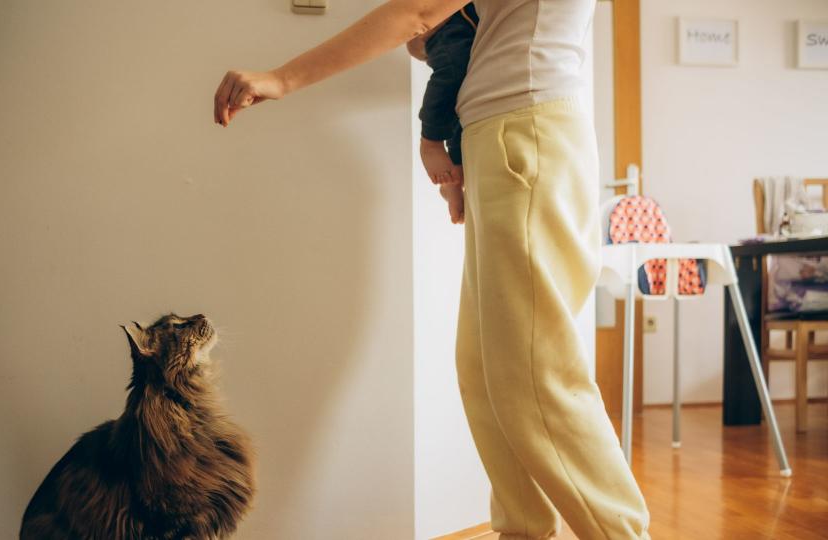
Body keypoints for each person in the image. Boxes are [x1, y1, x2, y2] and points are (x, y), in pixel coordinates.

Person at [212, 1, 651, 538]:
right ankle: (522, 530)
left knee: (538, 372)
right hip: (504, 133)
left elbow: (417, 11)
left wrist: (282, 77)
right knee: (485, 369)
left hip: (527, 131)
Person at [408, 4, 478, 225]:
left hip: (475, 29)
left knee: (467, 95)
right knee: (454, 70)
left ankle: (455, 175)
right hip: (450, 25)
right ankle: (432, 141)